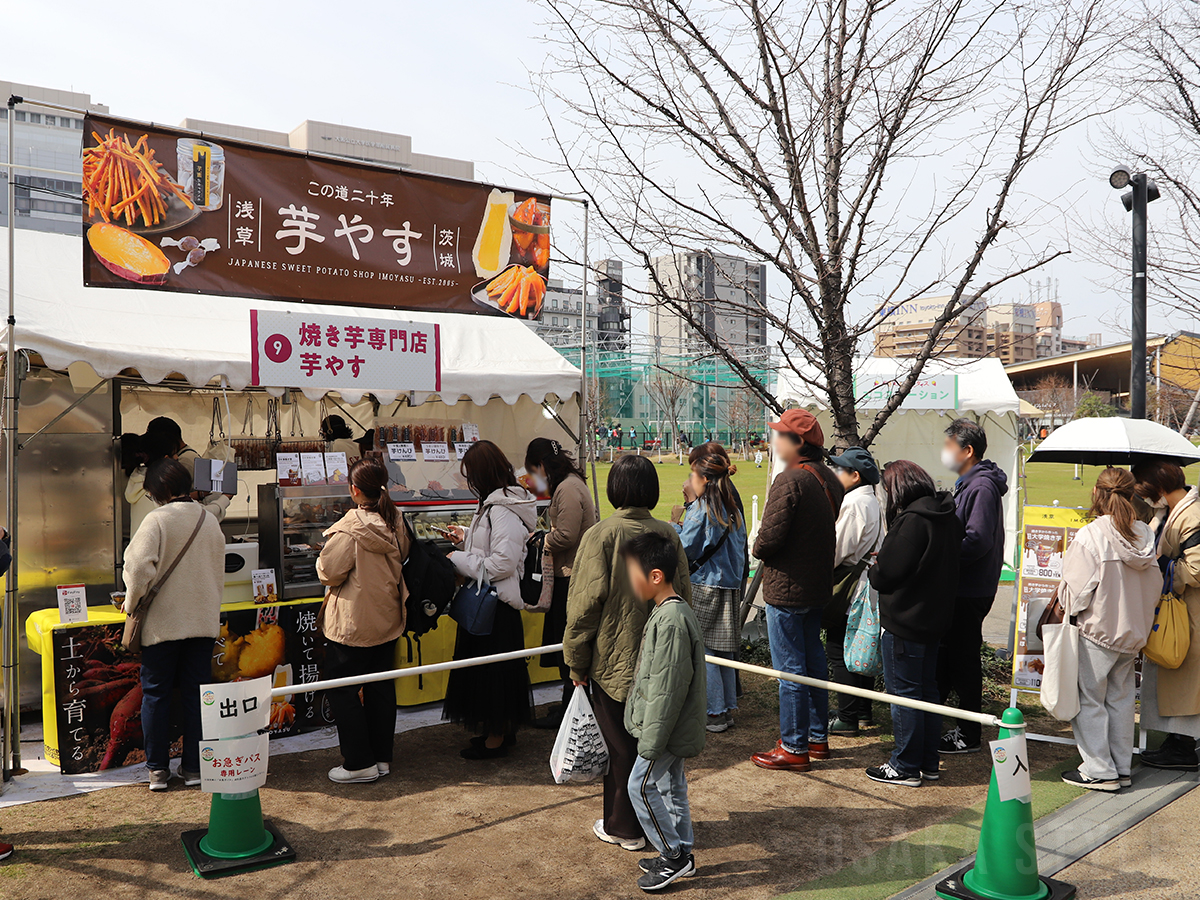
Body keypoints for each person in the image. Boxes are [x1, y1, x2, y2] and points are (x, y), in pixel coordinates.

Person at [564, 454, 691, 852]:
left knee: (620, 747)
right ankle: (648, 823)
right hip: (659, 658)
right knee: (650, 745)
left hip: (612, 660)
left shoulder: (602, 535)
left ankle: (624, 827)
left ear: (614, 489)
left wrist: (575, 661)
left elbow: (584, 606)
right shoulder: (668, 534)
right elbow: (684, 594)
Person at [121, 458, 226, 791]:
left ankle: (158, 771)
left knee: (156, 695)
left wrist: (131, 601)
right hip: (202, 621)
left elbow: (137, 569)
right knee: (197, 696)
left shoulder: (157, 520)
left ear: (156, 491)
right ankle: (194, 768)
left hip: (163, 625)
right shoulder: (209, 520)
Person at [750, 409, 843, 773]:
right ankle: (816, 738)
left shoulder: (790, 480)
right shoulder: (828, 478)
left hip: (788, 590)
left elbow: (766, 541)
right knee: (813, 664)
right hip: (816, 586)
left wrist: (758, 545)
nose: (775, 443)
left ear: (798, 443)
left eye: (781, 436)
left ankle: (794, 746)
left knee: (790, 670)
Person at [1057, 468, 1160, 791]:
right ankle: (1120, 767)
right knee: (1121, 701)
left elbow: (1075, 592)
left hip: (1096, 631)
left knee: (1089, 701)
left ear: (1097, 494)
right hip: (1132, 634)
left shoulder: (1092, 535)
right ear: (1132, 495)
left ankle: (1099, 770)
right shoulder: (1145, 534)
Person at [866, 460, 962, 786]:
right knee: (927, 692)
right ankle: (927, 761)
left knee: (904, 695)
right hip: (934, 619)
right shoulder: (945, 515)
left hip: (905, 621)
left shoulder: (912, 521)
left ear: (898, 488)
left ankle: (905, 765)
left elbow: (887, 573)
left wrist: (874, 569)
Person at [621, 532, 706, 891]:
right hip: (671, 726)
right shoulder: (670, 611)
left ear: (656, 576)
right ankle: (682, 851)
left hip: (666, 729)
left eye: (633, 573)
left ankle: (672, 855)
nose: (630, 582)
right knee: (672, 787)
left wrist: (651, 741)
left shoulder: (670, 620)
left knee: (638, 786)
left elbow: (667, 689)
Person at [317, 456, 409, 784]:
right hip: (387, 617)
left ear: (355, 490)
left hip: (353, 623)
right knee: (381, 688)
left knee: (342, 690)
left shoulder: (351, 527)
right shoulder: (396, 519)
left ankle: (359, 763)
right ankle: (381, 758)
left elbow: (329, 571)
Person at [443, 440, 537, 759]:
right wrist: (465, 538)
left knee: (494, 675)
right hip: (491, 604)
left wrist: (459, 558)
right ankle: (496, 730)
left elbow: (502, 563)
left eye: (471, 476)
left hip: (497, 606)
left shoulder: (502, 509)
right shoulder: (494, 505)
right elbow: (493, 550)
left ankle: (496, 736)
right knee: (487, 673)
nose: (468, 483)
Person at [937, 418, 1008, 755]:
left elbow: (976, 539)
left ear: (967, 450)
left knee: (963, 660)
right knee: (951, 657)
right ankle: (938, 717)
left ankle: (968, 732)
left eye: (949, 446)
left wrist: (942, 559)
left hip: (970, 588)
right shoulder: (972, 483)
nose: (945, 453)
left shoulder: (981, 486)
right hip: (965, 587)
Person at [524, 437, 598, 729]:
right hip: (572, 572)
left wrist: (541, 540)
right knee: (565, 645)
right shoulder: (571, 482)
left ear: (542, 465)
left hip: (571, 576)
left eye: (534, 470)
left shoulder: (566, 488)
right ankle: (569, 703)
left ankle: (572, 707)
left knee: (568, 645)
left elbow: (566, 535)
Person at [673, 443, 747, 734]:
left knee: (706, 652)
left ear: (704, 478)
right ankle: (726, 708)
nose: (688, 481)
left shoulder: (703, 508)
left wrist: (677, 519)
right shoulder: (731, 505)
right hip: (728, 585)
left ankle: (713, 712)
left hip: (705, 585)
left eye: (692, 475)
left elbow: (685, 547)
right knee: (723, 651)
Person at [1132, 458, 1200, 771]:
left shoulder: (1192, 514)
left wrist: (1161, 568)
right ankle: (1178, 742)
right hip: (1182, 610)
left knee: (1184, 679)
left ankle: (1183, 747)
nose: (1144, 498)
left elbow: (1197, 569)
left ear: (1158, 488)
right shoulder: (1176, 510)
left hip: (1190, 610)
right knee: (1178, 679)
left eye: (1144, 492)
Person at [824, 447, 883, 737]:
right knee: (860, 646)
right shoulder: (871, 499)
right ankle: (861, 711)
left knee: (840, 648)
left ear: (855, 475)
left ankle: (848, 717)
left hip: (850, 586)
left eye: (840, 469)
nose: (835, 474)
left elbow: (837, 550)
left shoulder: (855, 503)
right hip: (865, 583)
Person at [125, 419, 230, 537]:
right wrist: (225, 498)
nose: (177, 458)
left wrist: (200, 494)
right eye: (174, 453)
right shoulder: (161, 487)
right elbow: (200, 516)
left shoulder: (137, 478)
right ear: (165, 459)